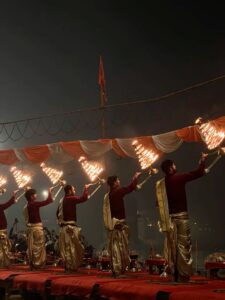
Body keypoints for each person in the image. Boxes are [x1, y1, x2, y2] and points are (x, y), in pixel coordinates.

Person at [156, 153, 208, 282]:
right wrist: (202, 160)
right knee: (184, 246)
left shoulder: (161, 184)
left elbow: (158, 204)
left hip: (169, 220)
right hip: (181, 218)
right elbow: (197, 173)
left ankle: (174, 273)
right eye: (174, 165)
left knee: (172, 247)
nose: (175, 166)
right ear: (170, 168)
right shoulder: (178, 178)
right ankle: (183, 275)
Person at [103, 172, 141, 276]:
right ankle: (118, 269)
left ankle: (118, 269)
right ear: (114, 183)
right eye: (118, 180)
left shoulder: (109, 194)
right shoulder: (117, 191)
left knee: (119, 249)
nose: (119, 181)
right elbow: (130, 188)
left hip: (115, 226)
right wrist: (135, 178)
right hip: (118, 226)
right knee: (119, 249)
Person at [57, 184, 91, 273]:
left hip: (64, 228)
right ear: (69, 191)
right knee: (70, 248)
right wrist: (86, 189)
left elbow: (57, 214)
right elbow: (83, 198)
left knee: (69, 248)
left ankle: (70, 266)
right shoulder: (71, 199)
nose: (75, 191)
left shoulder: (61, 200)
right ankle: (70, 267)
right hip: (70, 228)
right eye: (74, 189)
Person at [24, 188, 53, 270]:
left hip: (32, 229)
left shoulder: (27, 205)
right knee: (38, 246)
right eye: (35, 194)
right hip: (37, 229)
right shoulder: (34, 204)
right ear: (31, 197)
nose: (36, 195)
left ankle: (34, 264)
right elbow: (47, 201)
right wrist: (50, 192)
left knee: (33, 247)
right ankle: (38, 264)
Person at [0, 190, 18, 268]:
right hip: (1, 230)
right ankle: (3, 263)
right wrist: (13, 196)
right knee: (4, 248)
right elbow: (7, 204)